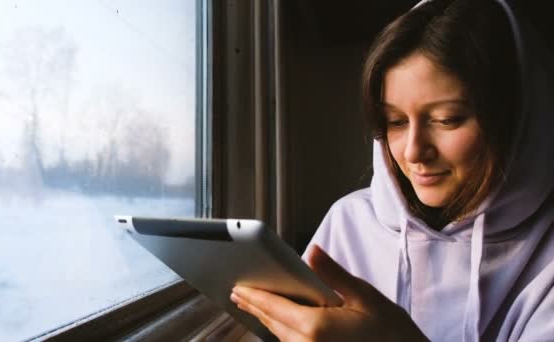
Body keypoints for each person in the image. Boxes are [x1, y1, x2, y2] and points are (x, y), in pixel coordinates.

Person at [229, 0, 554, 340]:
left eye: (447, 120)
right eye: (395, 122)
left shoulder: (545, 251)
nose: (413, 151)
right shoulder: (349, 222)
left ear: (517, 117)